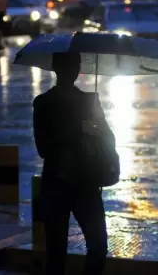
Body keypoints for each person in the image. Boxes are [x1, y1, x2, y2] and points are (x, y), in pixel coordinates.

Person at [33, 52, 110, 275]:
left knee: (98, 246)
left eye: (75, 64)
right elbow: (43, 148)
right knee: (56, 254)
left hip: (87, 184)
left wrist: (98, 132)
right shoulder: (44, 103)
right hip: (57, 184)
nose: (72, 70)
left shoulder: (90, 101)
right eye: (66, 65)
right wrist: (77, 130)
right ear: (56, 68)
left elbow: (108, 138)